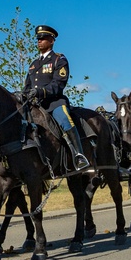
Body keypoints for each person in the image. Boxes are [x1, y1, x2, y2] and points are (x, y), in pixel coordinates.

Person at [22, 25, 89, 171]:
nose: (39, 41)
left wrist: (40, 92)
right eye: (38, 39)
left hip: (54, 103)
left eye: (43, 38)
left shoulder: (59, 59)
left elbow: (58, 84)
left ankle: (79, 155)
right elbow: (27, 87)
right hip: (35, 105)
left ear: (52, 41)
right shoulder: (33, 65)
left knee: (65, 120)